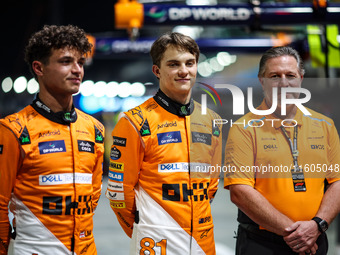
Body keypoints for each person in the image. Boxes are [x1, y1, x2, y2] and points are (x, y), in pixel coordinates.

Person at [105, 32, 222, 254]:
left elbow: (211, 184)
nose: (184, 71)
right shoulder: (134, 121)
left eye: (190, 63)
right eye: (173, 64)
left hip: (203, 240)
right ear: (157, 71)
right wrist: (143, 227)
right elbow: (119, 192)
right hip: (156, 242)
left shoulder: (212, 120)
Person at [224, 46, 340, 255]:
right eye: (275, 76)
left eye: (290, 75)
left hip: (314, 238)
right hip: (263, 244)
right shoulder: (244, 128)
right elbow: (240, 192)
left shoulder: (325, 125)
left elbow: (337, 182)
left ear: (301, 79)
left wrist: (317, 225)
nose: (284, 83)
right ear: (262, 80)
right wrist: (296, 234)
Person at [0, 25, 105, 255]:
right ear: (39, 68)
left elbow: (93, 195)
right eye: (66, 62)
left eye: (80, 62)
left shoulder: (94, 128)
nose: (77, 70)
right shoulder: (13, 129)